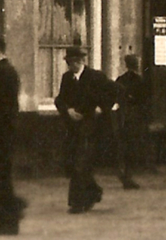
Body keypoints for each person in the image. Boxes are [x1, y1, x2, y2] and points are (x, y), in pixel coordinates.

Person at [55, 46, 118, 214]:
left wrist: (102, 108)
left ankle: (77, 203)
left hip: (91, 126)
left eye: (75, 62)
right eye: (69, 63)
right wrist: (67, 110)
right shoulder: (67, 78)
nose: (72, 65)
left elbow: (114, 92)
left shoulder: (95, 76)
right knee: (75, 162)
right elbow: (60, 99)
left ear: (82, 61)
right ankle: (93, 191)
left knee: (80, 163)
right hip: (73, 127)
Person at [0, 35, 27, 236]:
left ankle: (7, 221)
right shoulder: (2, 71)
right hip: (1, 133)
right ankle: (6, 218)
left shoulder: (3, 72)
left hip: (0, 134)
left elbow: (1, 105)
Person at [115, 54, 149, 190]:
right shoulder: (140, 81)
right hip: (135, 116)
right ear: (137, 64)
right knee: (133, 146)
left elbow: (116, 96)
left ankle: (122, 171)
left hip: (122, 115)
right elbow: (144, 100)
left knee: (123, 145)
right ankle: (128, 175)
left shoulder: (120, 80)